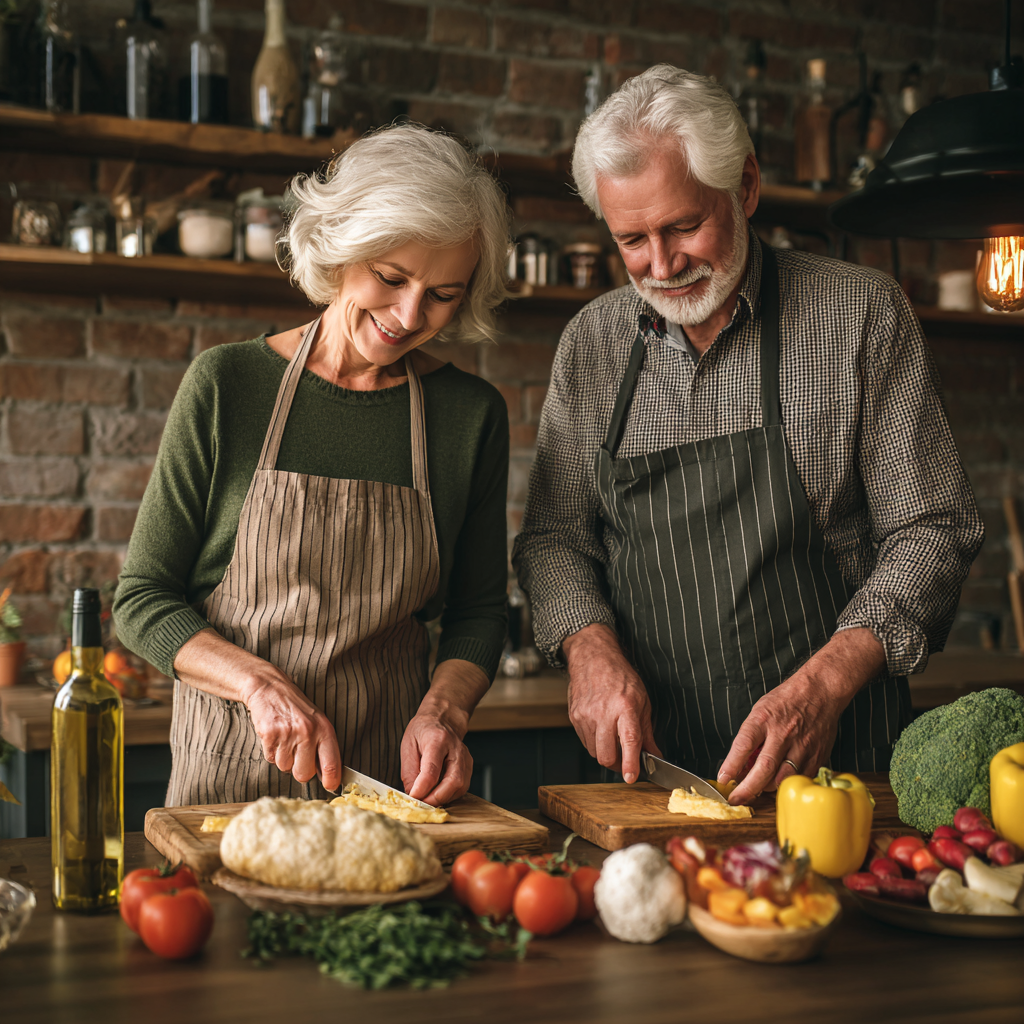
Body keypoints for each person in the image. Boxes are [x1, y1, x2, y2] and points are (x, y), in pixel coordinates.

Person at [512, 66, 983, 805]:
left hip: (839, 766)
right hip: (651, 777)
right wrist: (588, 648)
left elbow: (935, 528)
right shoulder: (593, 343)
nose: (661, 266)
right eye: (632, 239)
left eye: (683, 227)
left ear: (747, 187)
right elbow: (553, 539)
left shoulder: (857, 314)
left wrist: (824, 687)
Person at [114, 125, 512, 807]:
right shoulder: (227, 385)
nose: (410, 315)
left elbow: (477, 613)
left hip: (389, 788)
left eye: (444, 294)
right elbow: (142, 600)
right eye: (391, 277)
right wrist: (258, 685)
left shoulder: (469, 415)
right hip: (228, 784)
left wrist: (443, 712)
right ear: (339, 246)